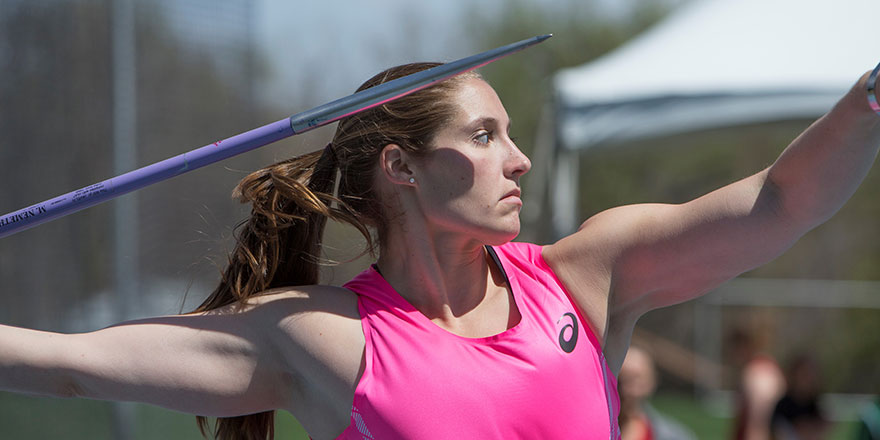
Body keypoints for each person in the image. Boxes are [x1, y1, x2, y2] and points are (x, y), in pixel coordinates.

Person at [2, 57, 880, 440]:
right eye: (486, 136)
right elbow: (70, 366)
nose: (519, 159)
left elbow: (781, 202)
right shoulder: (322, 338)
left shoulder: (586, 277)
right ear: (402, 168)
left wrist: (870, 97)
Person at [618, 345, 696, 440]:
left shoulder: (673, 436)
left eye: (637, 381)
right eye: (621, 380)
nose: (628, 390)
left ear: (652, 382)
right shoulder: (602, 429)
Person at [771, 354, 829, 440]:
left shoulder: (816, 405)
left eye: (811, 374)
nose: (808, 379)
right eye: (804, 373)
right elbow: (777, 432)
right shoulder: (783, 406)